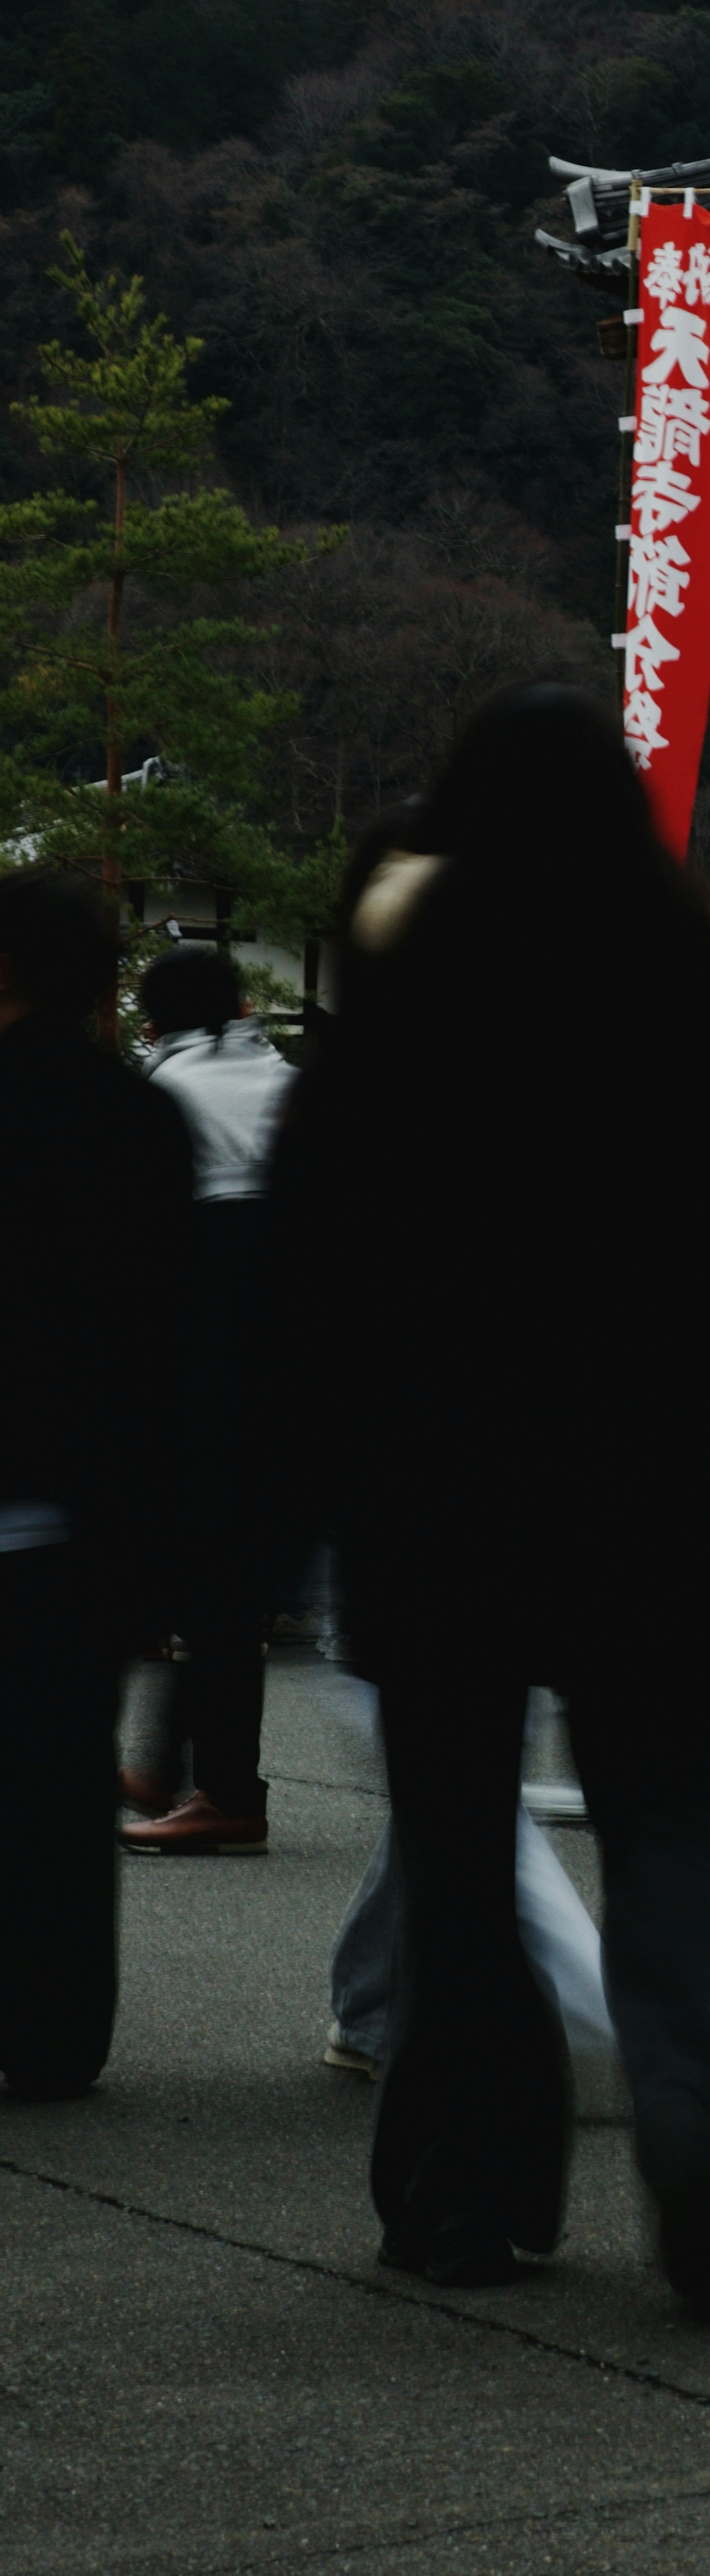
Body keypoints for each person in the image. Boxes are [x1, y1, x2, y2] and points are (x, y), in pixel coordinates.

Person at [271, 691, 710, 2310]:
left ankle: (466, 2192)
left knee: (453, 1854)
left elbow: (307, 1277)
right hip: (651, 1508)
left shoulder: (393, 1018)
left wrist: (292, 1484)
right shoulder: (677, 1011)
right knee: (669, 1842)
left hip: (436, 1501)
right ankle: (694, 2133)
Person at [0, 871, 194, 2095]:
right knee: (65, 1777)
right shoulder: (143, 1116)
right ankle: (60, 2026)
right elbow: (169, 1331)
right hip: (91, 1502)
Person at [121, 945, 294, 1855]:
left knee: (210, 1578)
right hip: (295, 1362)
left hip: (204, 1358)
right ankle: (173, 1764)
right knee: (227, 1575)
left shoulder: (166, 1091)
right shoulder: (283, 1079)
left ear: (152, 1022)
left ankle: (222, 1787)